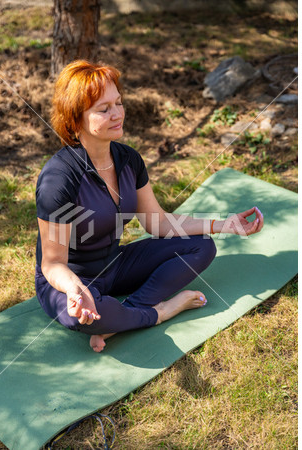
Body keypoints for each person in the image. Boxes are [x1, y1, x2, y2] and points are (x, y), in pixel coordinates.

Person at [35, 60, 264, 352]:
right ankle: (160, 312)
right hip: (67, 281)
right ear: (75, 119)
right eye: (103, 109)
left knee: (202, 246)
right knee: (85, 316)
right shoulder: (59, 179)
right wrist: (73, 290)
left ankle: (128, 314)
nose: (117, 114)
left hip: (114, 265)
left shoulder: (128, 160)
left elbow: (158, 223)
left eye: (118, 103)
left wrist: (223, 225)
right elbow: (53, 264)